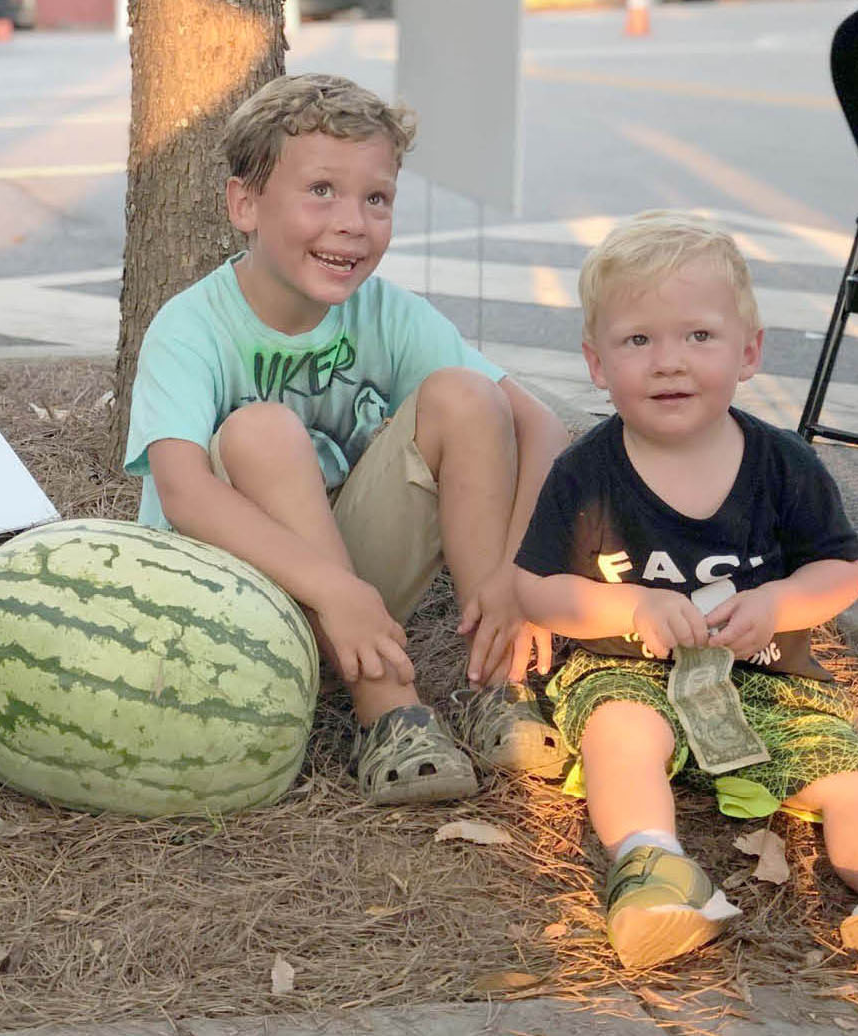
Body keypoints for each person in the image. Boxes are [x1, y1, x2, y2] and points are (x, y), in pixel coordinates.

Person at [123, 73, 573, 806]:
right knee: (261, 430)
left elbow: (542, 426)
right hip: (225, 612)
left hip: (355, 606)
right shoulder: (191, 326)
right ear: (244, 204)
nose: (353, 223)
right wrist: (332, 589)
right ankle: (388, 713)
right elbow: (183, 492)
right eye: (321, 191)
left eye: (376, 198)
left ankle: (498, 683)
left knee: (466, 396)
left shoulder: (387, 313)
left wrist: (519, 576)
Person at [513, 211, 858, 969]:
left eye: (699, 336)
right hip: (628, 672)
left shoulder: (784, 466)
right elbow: (535, 588)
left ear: (749, 352)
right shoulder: (586, 473)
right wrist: (630, 606)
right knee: (620, 737)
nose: (669, 362)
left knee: (845, 776)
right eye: (638, 340)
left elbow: (839, 570)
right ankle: (654, 871)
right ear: (597, 363)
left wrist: (779, 602)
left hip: (770, 678)